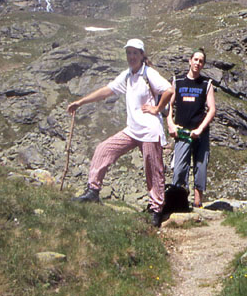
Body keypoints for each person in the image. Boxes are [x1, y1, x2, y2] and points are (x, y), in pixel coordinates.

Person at [67, 38, 172, 227]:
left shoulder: (149, 73)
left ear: (142, 55)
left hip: (150, 130)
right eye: (128, 53)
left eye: (135, 53)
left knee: (153, 169)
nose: (131, 56)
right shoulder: (127, 75)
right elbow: (107, 91)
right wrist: (81, 102)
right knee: (103, 149)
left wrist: (157, 109)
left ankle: (156, 209)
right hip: (132, 130)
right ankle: (93, 190)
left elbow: (169, 90)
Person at [166, 49, 216, 208]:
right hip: (182, 132)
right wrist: (170, 124)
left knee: (201, 166)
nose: (197, 63)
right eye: (195, 59)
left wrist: (200, 129)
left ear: (203, 64)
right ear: (190, 60)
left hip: (200, 133)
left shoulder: (206, 83)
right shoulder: (177, 81)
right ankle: (179, 201)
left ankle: (197, 203)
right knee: (180, 167)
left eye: (201, 61)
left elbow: (212, 109)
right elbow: (169, 104)